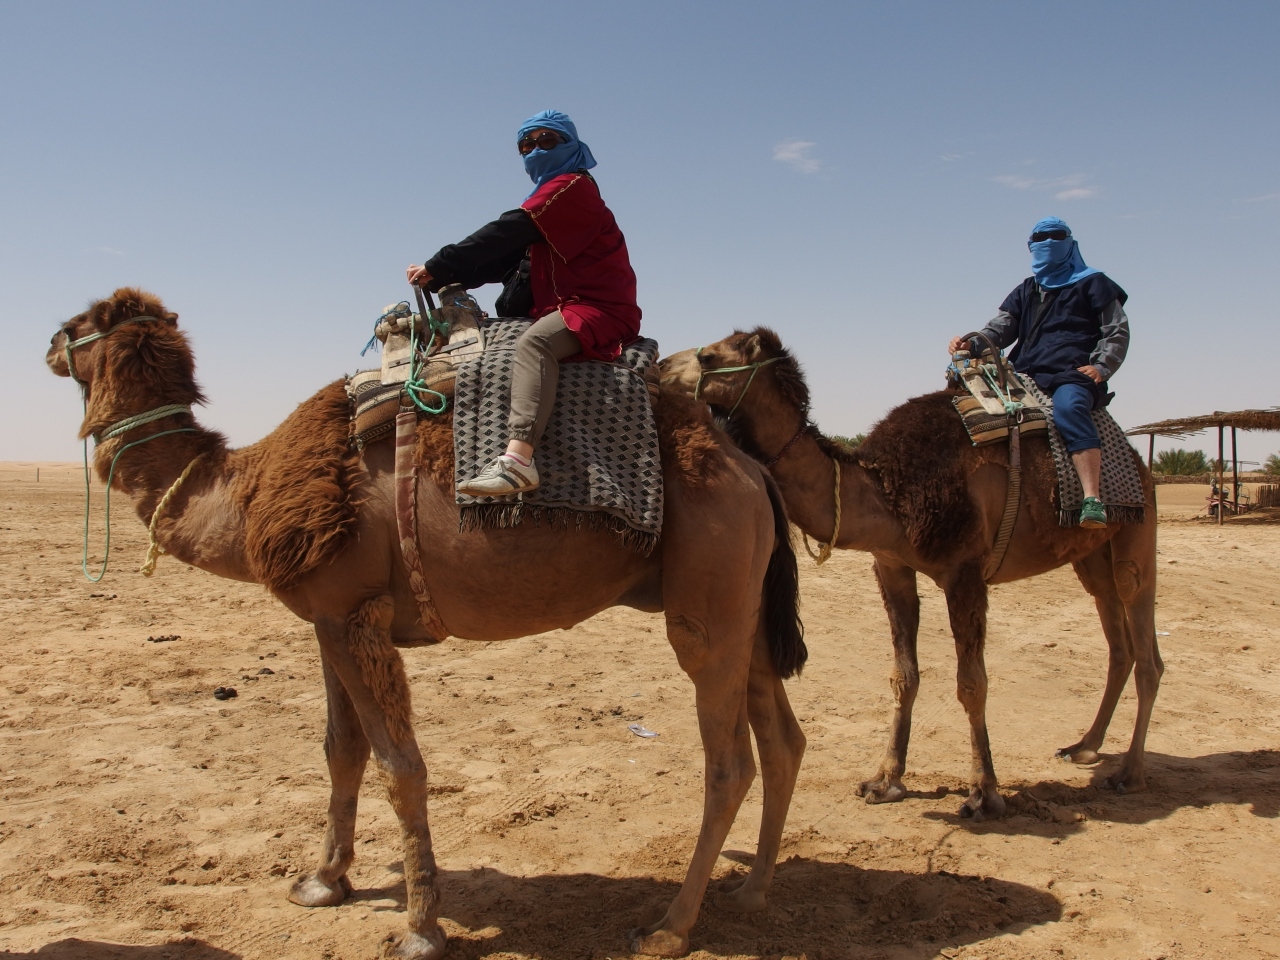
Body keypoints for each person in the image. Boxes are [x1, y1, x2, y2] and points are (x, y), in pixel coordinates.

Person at [406, 110, 641, 497]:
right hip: (563, 306)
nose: (534, 150)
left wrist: (440, 261)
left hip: (598, 307)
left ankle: (518, 461)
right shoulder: (547, 202)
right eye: (525, 145)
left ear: (572, 146)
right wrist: (442, 277)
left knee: (535, 344)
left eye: (547, 140)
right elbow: (508, 260)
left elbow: (505, 231)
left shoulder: (572, 188)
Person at [949, 217, 1129, 529]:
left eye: (1055, 238)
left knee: (1070, 408)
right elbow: (1001, 328)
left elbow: (1116, 330)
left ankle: (1091, 498)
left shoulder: (1094, 283)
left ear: (1069, 245)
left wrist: (1101, 367)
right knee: (963, 408)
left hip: (1071, 372)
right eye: (1039, 239)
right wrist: (972, 341)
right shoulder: (1027, 289)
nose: (1046, 244)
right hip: (1024, 370)